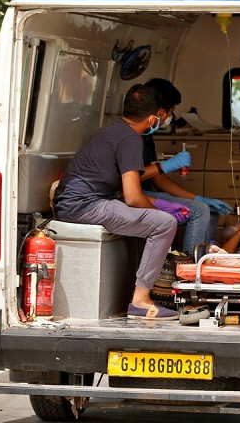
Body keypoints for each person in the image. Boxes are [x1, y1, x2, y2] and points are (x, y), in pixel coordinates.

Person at [53, 84, 189, 321]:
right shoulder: (130, 139)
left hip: (78, 202)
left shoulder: (114, 130)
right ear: (152, 118)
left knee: (157, 220)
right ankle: (140, 301)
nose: (165, 119)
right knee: (164, 224)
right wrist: (158, 213)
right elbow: (133, 197)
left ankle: (140, 291)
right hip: (85, 205)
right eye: (164, 115)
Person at [141, 78, 233, 255]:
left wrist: (198, 197)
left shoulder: (146, 136)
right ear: (160, 111)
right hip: (135, 195)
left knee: (210, 212)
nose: (170, 117)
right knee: (199, 211)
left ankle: (204, 262)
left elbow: (157, 179)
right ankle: (188, 266)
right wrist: (166, 166)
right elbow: (130, 178)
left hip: (148, 192)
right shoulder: (132, 136)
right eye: (171, 111)